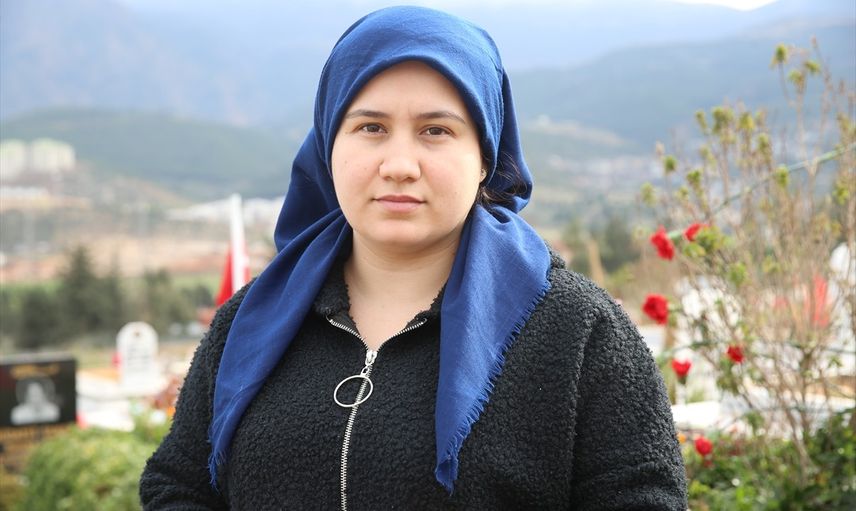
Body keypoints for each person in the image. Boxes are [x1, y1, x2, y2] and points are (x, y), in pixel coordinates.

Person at [140, 6, 687, 509]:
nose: (399, 165)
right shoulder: (252, 319)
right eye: (371, 127)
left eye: (436, 130)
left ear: (484, 156)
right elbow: (178, 483)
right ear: (329, 145)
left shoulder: (579, 333)